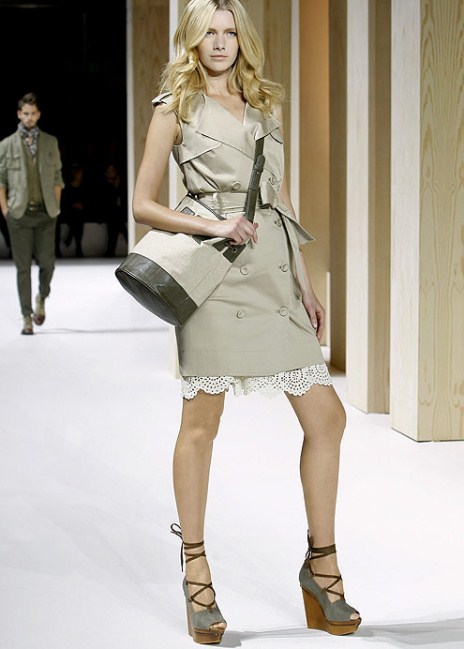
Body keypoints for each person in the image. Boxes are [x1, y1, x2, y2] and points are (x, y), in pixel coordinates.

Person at [133, 0, 361, 643]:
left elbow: (280, 202)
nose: (220, 42)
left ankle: (321, 566)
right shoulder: (172, 109)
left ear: (242, 40)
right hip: (214, 275)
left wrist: (306, 286)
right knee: (201, 425)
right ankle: (196, 571)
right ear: (191, 40)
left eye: (230, 31)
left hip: (273, 277)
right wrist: (213, 223)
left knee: (327, 418)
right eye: (208, 32)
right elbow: (144, 203)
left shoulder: (263, 106)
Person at [0, 92, 63, 335]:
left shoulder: (50, 142)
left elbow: (57, 176)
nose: (29, 117)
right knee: (23, 267)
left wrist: (55, 205)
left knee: (48, 264)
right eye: (25, 113)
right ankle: (27, 317)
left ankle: (41, 297)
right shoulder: (6, 145)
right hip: (19, 214)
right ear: (19, 114)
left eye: (33, 113)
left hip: (46, 212)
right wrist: (5, 209)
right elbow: (1, 180)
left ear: (38, 115)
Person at [101, 162, 127, 257]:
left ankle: (110, 251)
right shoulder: (106, 185)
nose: (113, 172)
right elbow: (108, 200)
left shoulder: (120, 182)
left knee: (120, 231)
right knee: (112, 233)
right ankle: (110, 251)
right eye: (110, 171)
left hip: (120, 212)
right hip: (111, 213)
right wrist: (114, 187)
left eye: (113, 170)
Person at [61, 163, 86, 258]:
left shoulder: (82, 187)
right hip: (70, 213)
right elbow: (65, 202)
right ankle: (77, 247)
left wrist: (81, 205)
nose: (81, 175)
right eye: (79, 173)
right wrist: (74, 205)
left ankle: (71, 239)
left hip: (80, 213)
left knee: (78, 219)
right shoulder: (68, 188)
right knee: (76, 219)